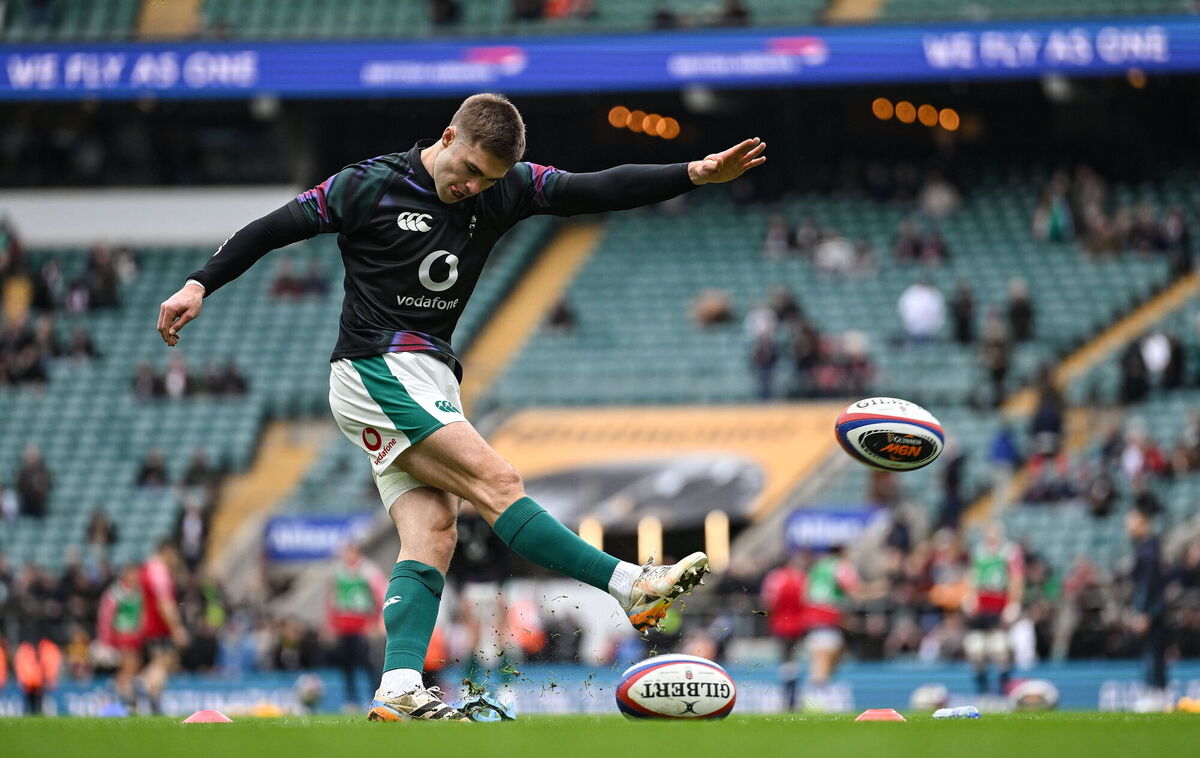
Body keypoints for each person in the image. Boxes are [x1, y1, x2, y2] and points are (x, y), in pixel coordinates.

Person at [156, 93, 762, 721]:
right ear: (448, 137)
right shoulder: (369, 185)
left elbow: (594, 190)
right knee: (497, 481)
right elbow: (272, 227)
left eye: (489, 180)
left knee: (434, 532)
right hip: (376, 367)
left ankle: (397, 686)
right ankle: (631, 586)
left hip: (431, 375)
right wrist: (200, 282)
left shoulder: (502, 189)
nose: (473, 187)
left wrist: (694, 173)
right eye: (469, 170)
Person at [962, 522, 1024, 695]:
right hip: (982, 609)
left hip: (1000, 606)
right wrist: (970, 598)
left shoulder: (1009, 551)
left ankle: (1003, 688)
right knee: (976, 649)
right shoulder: (978, 552)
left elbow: (1016, 578)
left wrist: (1013, 604)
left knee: (1000, 648)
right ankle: (982, 689)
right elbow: (972, 577)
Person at [327, 542, 387, 708]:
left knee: (368, 663)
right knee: (346, 664)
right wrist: (331, 626)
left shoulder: (369, 571)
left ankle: (374, 698)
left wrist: (376, 623)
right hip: (344, 626)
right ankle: (351, 700)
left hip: (363, 626)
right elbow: (333, 601)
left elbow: (381, 596)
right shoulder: (339, 572)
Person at [1126, 502, 1168, 710]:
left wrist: (1142, 612)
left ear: (1143, 521)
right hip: (1155, 608)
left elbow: (1147, 584)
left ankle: (1154, 693)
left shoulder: (1147, 550)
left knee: (1152, 650)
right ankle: (1158, 692)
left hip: (1151, 609)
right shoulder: (1150, 547)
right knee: (1155, 650)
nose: (1127, 524)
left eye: (1131, 519)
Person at [138, 540, 189, 715]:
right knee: (163, 662)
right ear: (167, 551)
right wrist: (176, 628)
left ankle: (154, 700)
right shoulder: (159, 572)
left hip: (150, 624)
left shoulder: (146, 569)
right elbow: (164, 602)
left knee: (162, 662)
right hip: (159, 626)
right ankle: (144, 685)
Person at [97, 564, 145, 710]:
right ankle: (118, 696)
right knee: (128, 666)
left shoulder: (138, 591)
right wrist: (105, 640)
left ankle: (120, 695)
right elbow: (106, 616)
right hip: (122, 634)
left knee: (133, 667)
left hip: (135, 636)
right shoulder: (116, 592)